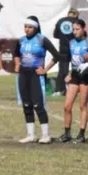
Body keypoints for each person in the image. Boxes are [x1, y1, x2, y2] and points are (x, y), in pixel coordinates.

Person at [14, 16, 60, 144]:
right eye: (25, 27)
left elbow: (57, 55)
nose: (27, 29)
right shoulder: (21, 41)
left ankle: (46, 135)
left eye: (30, 27)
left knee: (38, 104)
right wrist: (17, 64)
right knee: (27, 104)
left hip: (36, 75)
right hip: (23, 74)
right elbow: (16, 54)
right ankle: (31, 135)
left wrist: (45, 70)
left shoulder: (42, 40)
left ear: (36, 28)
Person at [59, 19, 88, 143]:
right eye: (73, 29)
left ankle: (81, 134)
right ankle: (67, 133)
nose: (75, 31)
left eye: (77, 29)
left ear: (84, 29)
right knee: (67, 106)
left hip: (85, 77)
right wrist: (66, 73)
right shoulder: (71, 42)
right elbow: (66, 59)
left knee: (82, 105)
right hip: (74, 76)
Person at [52, 7, 78, 94]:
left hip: (63, 47)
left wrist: (63, 37)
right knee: (77, 68)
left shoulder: (60, 21)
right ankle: (77, 88)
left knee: (63, 69)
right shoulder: (76, 22)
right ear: (75, 15)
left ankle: (59, 89)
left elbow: (55, 35)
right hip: (75, 47)